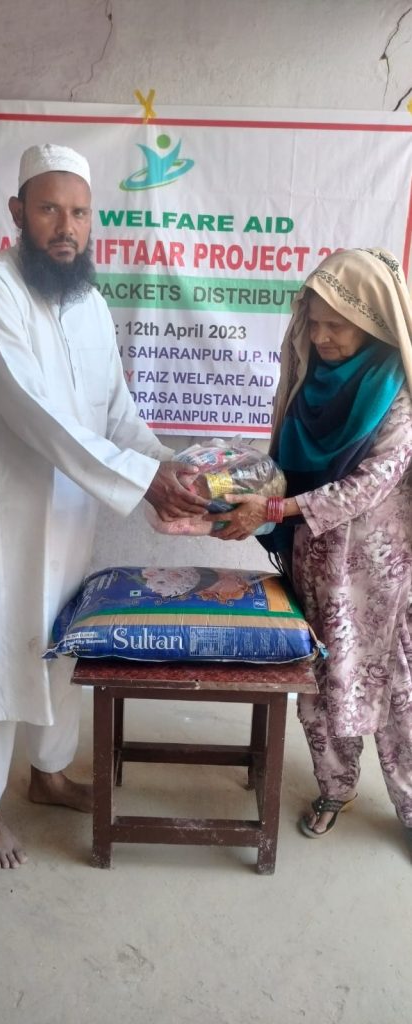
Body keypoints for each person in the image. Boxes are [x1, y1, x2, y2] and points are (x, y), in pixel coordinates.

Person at [0, 143, 207, 869]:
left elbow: (115, 413)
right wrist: (143, 482)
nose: (66, 227)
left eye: (79, 212)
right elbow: (36, 414)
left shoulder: (90, 303)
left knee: (65, 646)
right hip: (5, 509)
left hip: (75, 512)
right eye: (49, 209)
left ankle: (49, 774)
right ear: (17, 212)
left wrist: (172, 469)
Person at [211, 247, 412, 843]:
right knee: (320, 682)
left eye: (336, 326)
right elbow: (285, 468)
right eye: (314, 322)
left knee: (398, 692)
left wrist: (273, 510)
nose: (320, 337)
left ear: (373, 323)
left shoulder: (399, 393)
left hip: (380, 579)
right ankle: (335, 788)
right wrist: (232, 493)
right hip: (314, 562)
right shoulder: (308, 385)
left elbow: (368, 485)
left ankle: (409, 804)